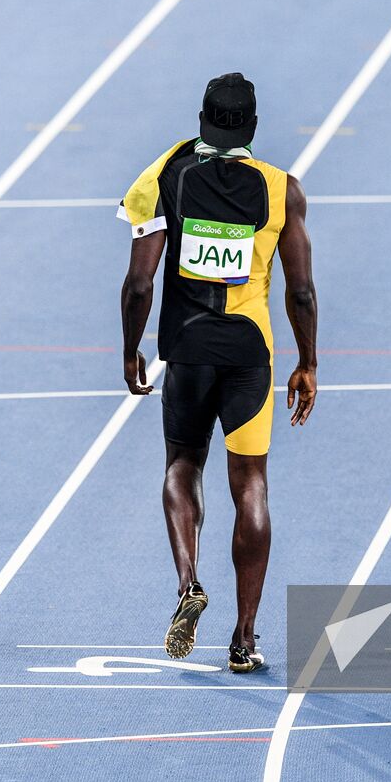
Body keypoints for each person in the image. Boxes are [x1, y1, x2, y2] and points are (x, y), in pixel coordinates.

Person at [117, 73, 317, 674]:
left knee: (182, 466)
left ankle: (188, 584)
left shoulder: (166, 177)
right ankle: (245, 638)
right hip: (249, 355)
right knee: (250, 485)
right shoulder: (283, 191)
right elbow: (301, 290)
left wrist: (132, 350)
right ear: (253, 128)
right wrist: (308, 362)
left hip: (187, 349)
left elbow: (139, 283)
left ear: (201, 119)